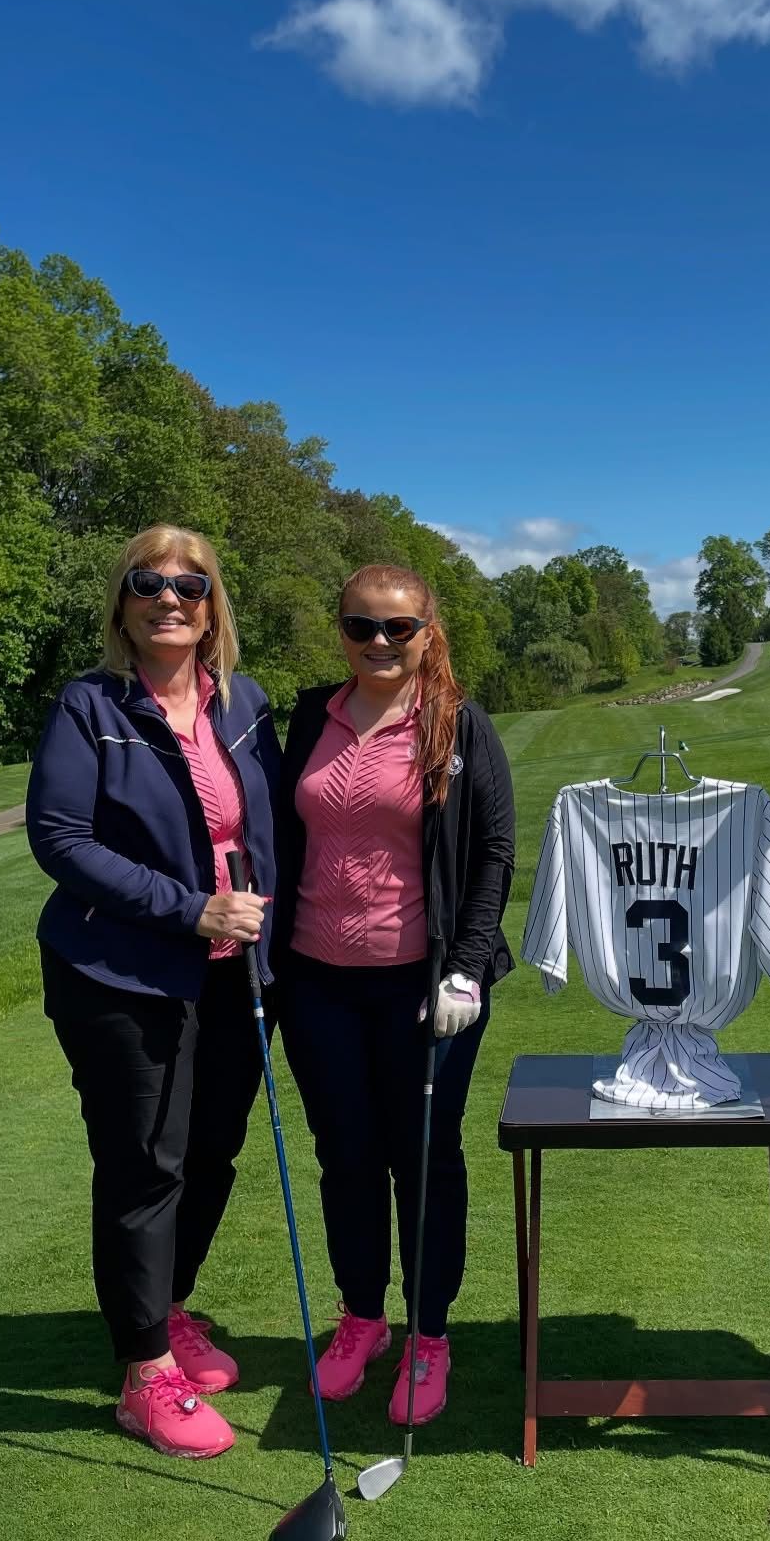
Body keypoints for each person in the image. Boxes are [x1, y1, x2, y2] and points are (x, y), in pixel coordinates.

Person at [27, 526, 281, 1459]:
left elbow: (268, 832)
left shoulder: (243, 702)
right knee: (146, 1164)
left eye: (189, 584)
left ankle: (168, 1309)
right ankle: (143, 1374)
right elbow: (62, 840)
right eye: (148, 583)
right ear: (122, 604)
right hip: (117, 971)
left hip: (231, 972)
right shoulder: (89, 704)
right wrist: (190, 911)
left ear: (213, 604)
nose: (168, 598)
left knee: (211, 1150)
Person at [275, 564, 515, 1427]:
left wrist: (469, 965)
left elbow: (493, 853)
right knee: (344, 1154)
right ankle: (363, 1320)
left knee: (423, 1159)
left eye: (398, 628)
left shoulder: (458, 724)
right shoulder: (310, 718)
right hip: (315, 979)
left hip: (426, 986)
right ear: (340, 630)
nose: (379, 643)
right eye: (360, 627)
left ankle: (431, 1335)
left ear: (428, 630)